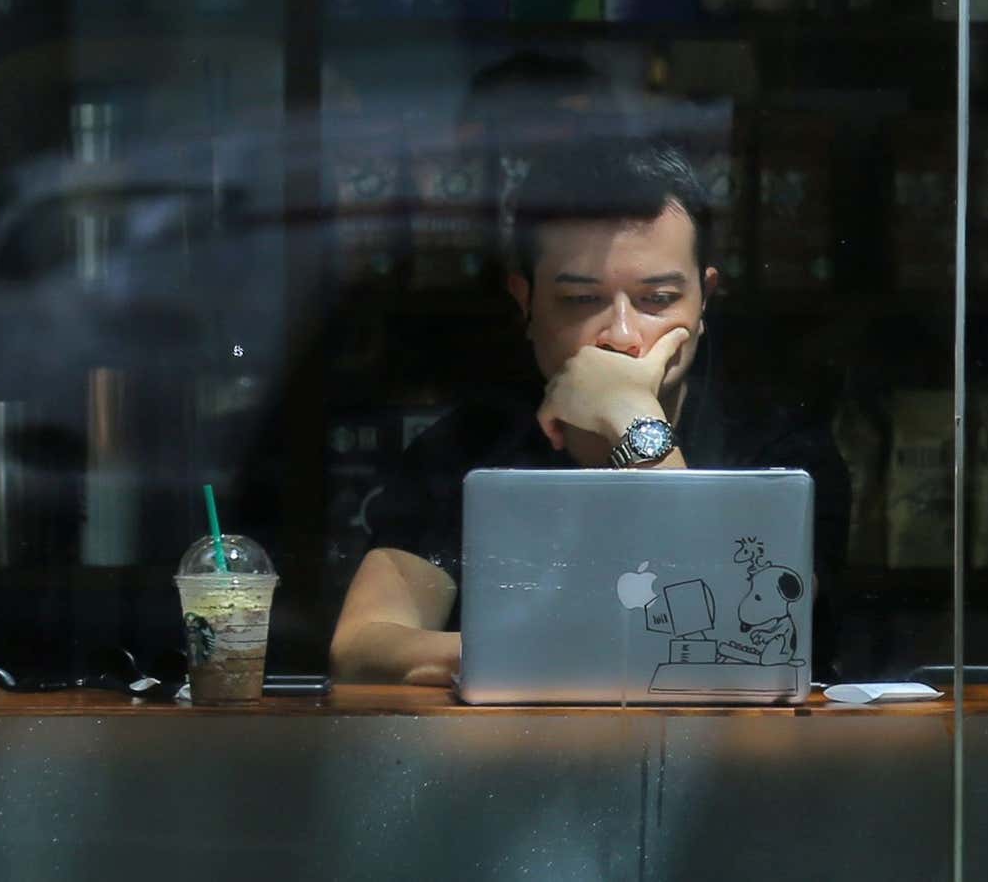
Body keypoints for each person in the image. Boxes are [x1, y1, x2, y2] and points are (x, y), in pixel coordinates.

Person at [329, 139, 850, 686]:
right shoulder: (468, 448)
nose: (621, 336)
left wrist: (631, 418)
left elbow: (736, 629)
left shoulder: (781, 452)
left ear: (704, 301)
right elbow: (363, 642)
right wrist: (556, 654)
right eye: (581, 301)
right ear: (525, 303)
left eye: (658, 299)